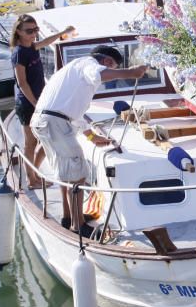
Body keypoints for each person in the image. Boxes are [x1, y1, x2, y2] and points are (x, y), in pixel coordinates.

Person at [31, 46, 147, 235]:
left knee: (66, 171)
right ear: (107, 62)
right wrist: (131, 72)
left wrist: (92, 137)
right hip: (54, 122)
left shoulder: (74, 70)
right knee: (77, 174)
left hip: (47, 121)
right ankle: (78, 227)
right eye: (112, 67)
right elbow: (98, 74)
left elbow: (75, 113)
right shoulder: (89, 64)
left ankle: (68, 216)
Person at [10, 14, 74, 189]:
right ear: (19, 32)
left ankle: (35, 175)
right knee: (30, 143)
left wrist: (63, 32)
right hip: (28, 104)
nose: (34, 34)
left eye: (36, 29)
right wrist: (36, 105)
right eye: (29, 31)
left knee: (40, 141)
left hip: (39, 102)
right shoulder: (19, 54)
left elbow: (45, 42)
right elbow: (22, 83)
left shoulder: (31, 47)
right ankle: (32, 180)